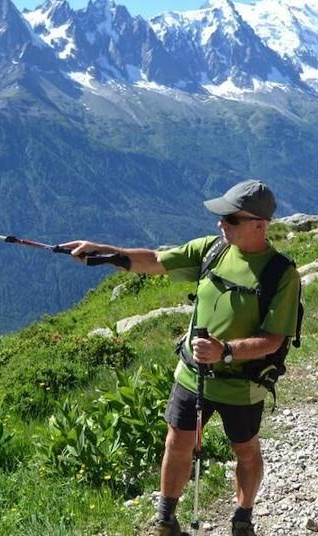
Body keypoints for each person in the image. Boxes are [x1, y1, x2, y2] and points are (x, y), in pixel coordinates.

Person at [62, 179, 300, 536]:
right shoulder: (212, 250)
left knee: (246, 450)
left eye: (231, 219)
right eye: (222, 217)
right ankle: (165, 519)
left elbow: (274, 339)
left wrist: (227, 351)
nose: (221, 224)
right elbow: (156, 260)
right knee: (177, 443)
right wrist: (103, 252)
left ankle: (243, 518)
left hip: (242, 383)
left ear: (259, 225)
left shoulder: (281, 273)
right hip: (192, 374)